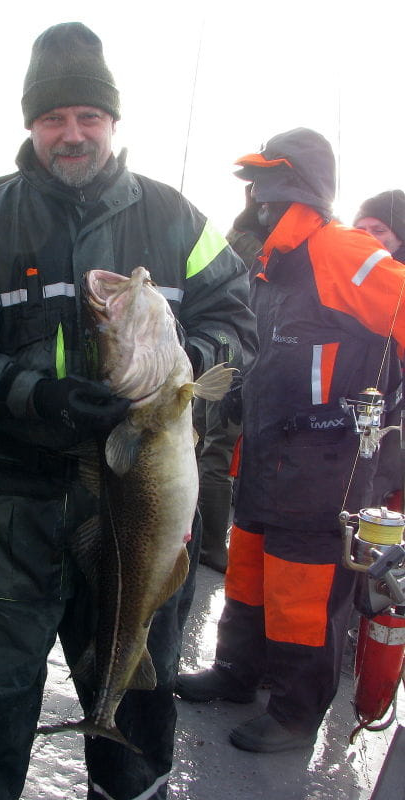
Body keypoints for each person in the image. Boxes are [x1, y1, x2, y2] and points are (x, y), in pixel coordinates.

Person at [0, 21, 257, 800]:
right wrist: (35, 393)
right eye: (55, 118)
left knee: (140, 694)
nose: (72, 134)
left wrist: (192, 361)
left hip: (138, 502)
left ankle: (125, 778)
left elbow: (237, 319)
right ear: (31, 126)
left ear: (113, 123)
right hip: (6, 509)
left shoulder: (177, 218)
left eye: (88, 117)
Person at [175, 127, 405, 754]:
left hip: (325, 462)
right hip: (263, 450)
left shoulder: (341, 250)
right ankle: (236, 672)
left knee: (303, 586)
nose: (257, 197)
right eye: (254, 185)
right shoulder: (266, 259)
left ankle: (297, 712)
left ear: (294, 186)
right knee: (247, 567)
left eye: (267, 183)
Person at [194, 186, 267, 573]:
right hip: (238, 364)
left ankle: (198, 539)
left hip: (218, 359)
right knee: (215, 453)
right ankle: (210, 546)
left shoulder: (233, 236)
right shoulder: (260, 243)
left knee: (204, 444)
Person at [354, 190, 405, 509]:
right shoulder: (350, 277)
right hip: (363, 407)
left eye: (379, 230)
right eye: (361, 229)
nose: (369, 237)